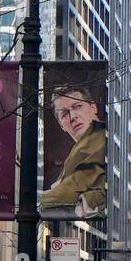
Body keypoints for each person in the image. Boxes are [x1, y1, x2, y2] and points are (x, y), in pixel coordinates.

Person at [41, 82, 106, 217]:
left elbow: (73, 188)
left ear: (93, 107)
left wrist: (36, 202)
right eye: (64, 114)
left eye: (77, 106)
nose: (73, 117)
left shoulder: (99, 139)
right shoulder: (80, 149)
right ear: (61, 126)